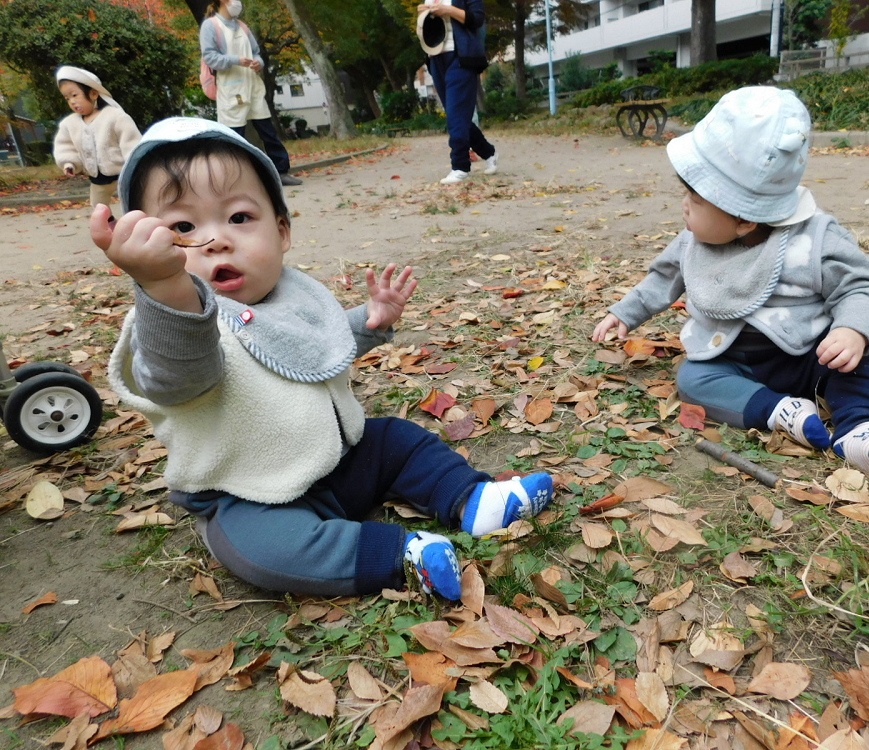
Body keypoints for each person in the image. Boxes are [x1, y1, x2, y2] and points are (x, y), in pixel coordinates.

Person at [90, 117, 553, 599]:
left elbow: (311, 355)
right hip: (251, 495)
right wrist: (166, 288)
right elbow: (180, 380)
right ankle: (403, 556)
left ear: (282, 231)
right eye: (182, 227)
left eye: (240, 218)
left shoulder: (290, 296)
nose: (215, 240)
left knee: (397, 439)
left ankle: (475, 499)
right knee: (262, 550)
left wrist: (369, 321)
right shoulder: (172, 322)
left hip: (339, 460)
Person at [591, 87, 869, 480]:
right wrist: (625, 313)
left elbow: (858, 286)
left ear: (744, 220)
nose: (684, 205)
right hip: (735, 360)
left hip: (814, 354)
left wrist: (851, 329)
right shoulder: (693, 241)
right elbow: (663, 278)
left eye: (695, 197)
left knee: (859, 364)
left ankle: (863, 431)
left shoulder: (815, 238)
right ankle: (780, 411)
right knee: (693, 378)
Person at [200, 0, 302, 187]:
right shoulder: (210, 25)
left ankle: (281, 171)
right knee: (233, 136)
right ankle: (230, 179)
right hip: (231, 88)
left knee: (268, 132)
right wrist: (236, 60)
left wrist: (258, 63)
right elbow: (210, 57)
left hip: (252, 85)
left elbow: (256, 53)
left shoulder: (242, 27)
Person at [417, 0, 497, 185]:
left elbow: (477, 19)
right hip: (436, 58)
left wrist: (448, 10)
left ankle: (460, 166)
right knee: (458, 115)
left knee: (455, 115)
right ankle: (488, 152)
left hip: (461, 57)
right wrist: (423, 11)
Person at [52, 66, 141, 212]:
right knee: (98, 208)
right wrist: (69, 163)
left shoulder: (115, 116)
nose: (72, 102)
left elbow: (131, 142)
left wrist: (135, 166)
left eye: (75, 95)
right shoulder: (69, 124)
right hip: (97, 179)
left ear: (93, 94)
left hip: (122, 175)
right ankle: (109, 227)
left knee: (132, 203)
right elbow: (66, 146)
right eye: (67, 98)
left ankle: (135, 225)